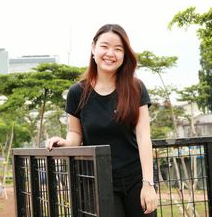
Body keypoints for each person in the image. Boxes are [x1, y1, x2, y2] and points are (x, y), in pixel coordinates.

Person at [46, 24, 158, 216]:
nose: (110, 53)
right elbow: (75, 134)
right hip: (96, 181)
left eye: (118, 49)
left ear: (125, 55)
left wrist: (148, 183)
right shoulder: (77, 92)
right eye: (104, 46)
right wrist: (65, 143)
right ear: (93, 48)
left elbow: (143, 136)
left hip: (135, 179)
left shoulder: (136, 88)